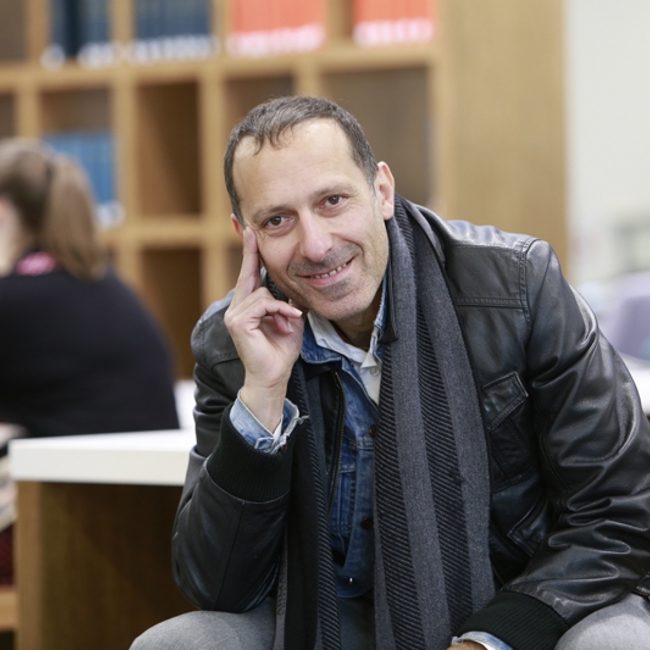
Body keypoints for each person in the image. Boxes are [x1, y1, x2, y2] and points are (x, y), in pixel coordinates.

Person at [131, 96, 650, 650]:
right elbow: (216, 584)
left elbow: (620, 512)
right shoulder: (232, 343)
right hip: (330, 617)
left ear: (381, 190)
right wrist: (262, 396)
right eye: (277, 220)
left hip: (531, 598)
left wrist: (488, 640)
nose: (315, 244)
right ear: (246, 234)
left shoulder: (517, 289)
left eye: (332, 201)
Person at [0, 139, 180, 580]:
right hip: (158, 530)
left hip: (68, 530)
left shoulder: (13, 301)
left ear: (4, 211)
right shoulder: (112, 290)